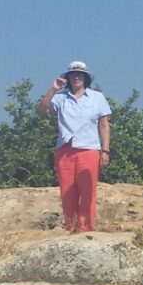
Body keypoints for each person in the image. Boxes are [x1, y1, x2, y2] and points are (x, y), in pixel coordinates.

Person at [37, 61, 111, 233]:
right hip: (65, 150)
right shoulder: (60, 98)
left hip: (89, 149)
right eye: (72, 74)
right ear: (67, 78)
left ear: (85, 78)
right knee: (67, 193)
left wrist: (105, 150)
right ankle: (71, 228)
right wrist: (53, 89)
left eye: (79, 74)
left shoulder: (97, 97)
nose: (76, 77)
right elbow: (42, 111)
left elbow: (104, 125)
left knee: (88, 193)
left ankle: (87, 229)